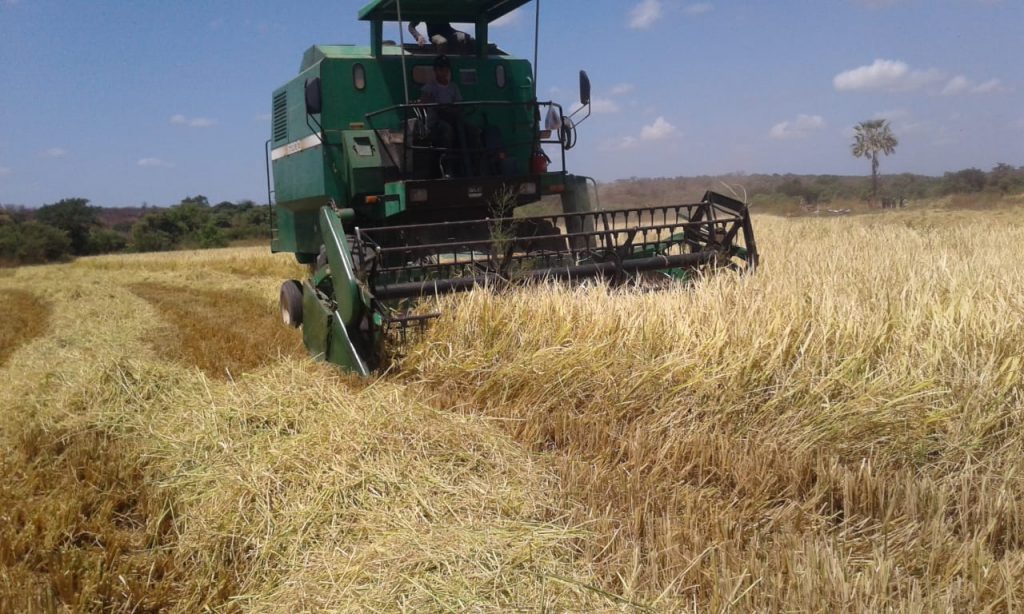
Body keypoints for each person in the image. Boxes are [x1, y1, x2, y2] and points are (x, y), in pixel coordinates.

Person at [418, 55, 481, 177]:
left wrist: (452, 110)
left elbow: (459, 105)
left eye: (445, 69)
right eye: (440, 69)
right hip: (436, 122)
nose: (443, 72)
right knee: (447, 130)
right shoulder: (430, 87)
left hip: (453, 119)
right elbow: (423, 103)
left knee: (472, 131)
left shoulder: (453, 87)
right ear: (435, 70)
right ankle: (447, 167)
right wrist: (430, 102)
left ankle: (475, 166)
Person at [408, 21, 473, 50]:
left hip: (450, 32)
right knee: (442, 42)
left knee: (471, 39)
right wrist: (418, 36)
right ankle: (441, 65)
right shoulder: (424, 6)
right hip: (435, 35)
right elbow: (411, 26)